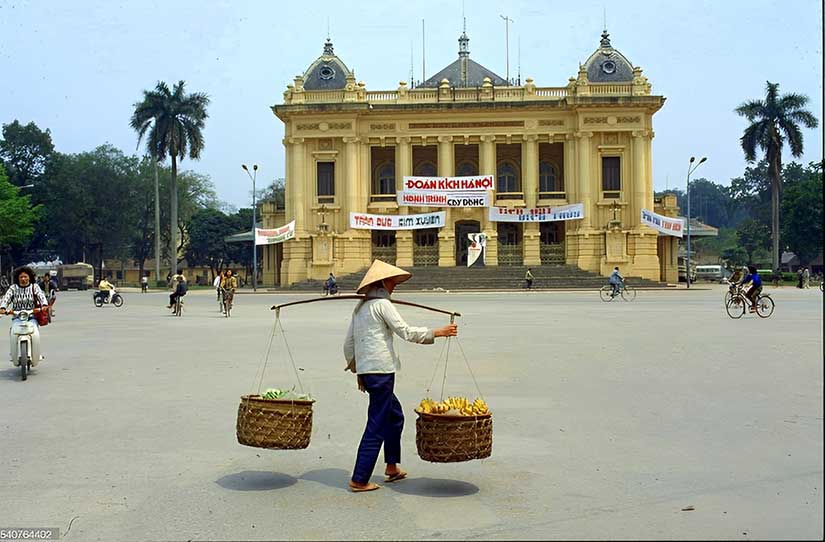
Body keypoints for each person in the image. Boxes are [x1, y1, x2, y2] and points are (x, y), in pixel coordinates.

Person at [343, 260, 458, 493]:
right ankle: (359, 478)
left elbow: (349, 344)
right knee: (377, 422)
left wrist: (359, 370)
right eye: (393, 283)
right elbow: (405, 332)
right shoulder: (382, 304)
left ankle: (392, 466)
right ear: (383, 282)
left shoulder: (361, 308)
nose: (394, 287)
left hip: (370, 371)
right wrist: (438, 332)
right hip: (382, 371)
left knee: (394, 416)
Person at [0, 266, 49, 364]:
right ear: (18, 278)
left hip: (32, 316)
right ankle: (13, 353)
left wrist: (44, 305)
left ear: (29, 277)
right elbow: (6, 298)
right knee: (13, 332)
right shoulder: (13, 288)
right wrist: (3, 308)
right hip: (17, 316)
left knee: (35, 333)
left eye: (25, 277)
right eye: (21, 277)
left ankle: (36, 353)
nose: (23, 279)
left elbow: (41, 296)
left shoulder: (34, 287)